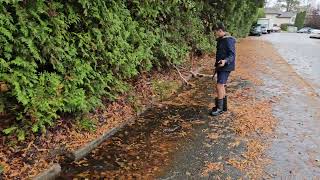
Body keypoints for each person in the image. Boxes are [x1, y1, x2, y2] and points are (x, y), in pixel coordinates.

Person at [210, 23, 236, 116]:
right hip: (221, 66)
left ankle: (219, 109)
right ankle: (223, 107)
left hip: (226, 66)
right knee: (222, 85)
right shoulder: (221, 40)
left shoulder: (228, 40)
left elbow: (232, 55)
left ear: (220, 30)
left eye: (216, 32)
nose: (215, 34)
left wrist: (225, 61)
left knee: (219, 85)